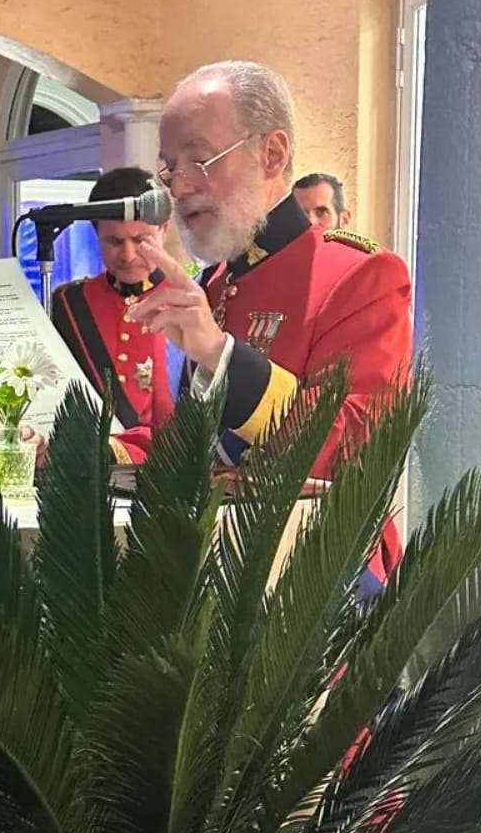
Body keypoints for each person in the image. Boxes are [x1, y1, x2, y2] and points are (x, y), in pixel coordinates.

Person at [123, 60, 412, 590]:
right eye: (169, 168)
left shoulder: (360, 276)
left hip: (316, 584)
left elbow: (358, 447)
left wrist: (223, 358)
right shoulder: (212, 285)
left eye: (200, 161)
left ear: (272, 154)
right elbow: (183, 445)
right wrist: (80, 451)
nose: (179, 187)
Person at [50, 166, 175, 463]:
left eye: (141, 240)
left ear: (165, 229)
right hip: (82, 466)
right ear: (96, 235)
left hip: (164, 468)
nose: (128, 256)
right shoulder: (69, 303)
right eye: (114, 242)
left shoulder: (190, 301)